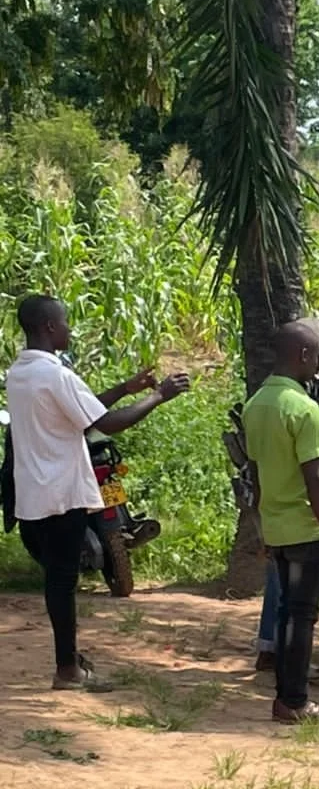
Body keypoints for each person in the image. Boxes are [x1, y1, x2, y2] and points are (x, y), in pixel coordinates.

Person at [4, 294, 189, 691]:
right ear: (49, 327)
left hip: (34, 494)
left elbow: (80, 415)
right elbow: (106, 424)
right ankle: (67, 670)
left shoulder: (20, 372)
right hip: (63, 495)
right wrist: (158, 396)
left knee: (57, 578)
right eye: (65, 322)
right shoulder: (56, 375)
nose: (70, 328)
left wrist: (125, 387)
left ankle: (68, 661)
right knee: (62, 582)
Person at [243, 319, 319, 723]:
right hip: (306, 528)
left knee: (289, 612)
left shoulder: (256, 405)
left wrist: (261, 526)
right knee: (301, 615)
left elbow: (254, 474)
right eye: (316, 358)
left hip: (275, 524)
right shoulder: (302, 408)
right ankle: (294, 700)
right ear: (303, 355)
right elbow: (316, 478)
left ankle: (286, 697)